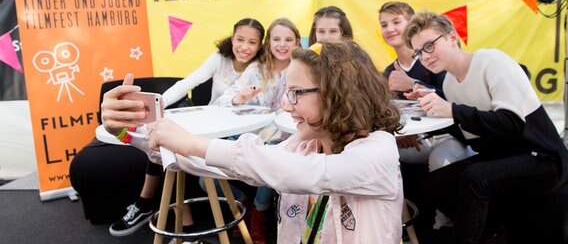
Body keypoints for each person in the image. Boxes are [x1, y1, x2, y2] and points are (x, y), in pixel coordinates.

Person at [101, 40, 405, 243]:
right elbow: (230, 166)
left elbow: (303, 173)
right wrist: (131, 133)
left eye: (296, 93)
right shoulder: (304, 145)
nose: (286, 106)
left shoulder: (377, 151)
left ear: (339, 94)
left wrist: (192, 142)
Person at [403, 10, 568, 243]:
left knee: (474, 178)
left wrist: (452, 110)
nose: (425, 56)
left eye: (429, 46)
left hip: (542, 156)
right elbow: (472, 133)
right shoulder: (450, 83)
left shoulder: (491, 61)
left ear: (452, 37)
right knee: (433, 183)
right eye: (418, 52)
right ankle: (490, 229)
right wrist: (429, 111)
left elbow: (511, 124)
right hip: (502, 156)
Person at [109, 18, 265, 237]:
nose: (244, 47)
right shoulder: (220, 59)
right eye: (240, 39)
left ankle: (155, 209)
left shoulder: (261, 67)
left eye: (252, 42)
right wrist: (156, 105)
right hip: (212, 124)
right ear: (232, 39)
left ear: (259, 46)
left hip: (239, 132)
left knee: (176, 150)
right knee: (164, 144)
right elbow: (188, 83)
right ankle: (176, 219)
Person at [379, 2, 474, 239]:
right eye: (384, 24)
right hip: (414, 141)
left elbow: (455, 99)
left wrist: (413, 84)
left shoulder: (436, 60)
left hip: (450, 136)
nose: (390, 28)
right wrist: (397, 134)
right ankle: (391, 226)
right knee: (376, 153)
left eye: (396, 22)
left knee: (442, 162)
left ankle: (443, 227)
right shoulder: (387, 73)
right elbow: (383, 113)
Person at [213, 17, 301, 243]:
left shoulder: (301, 70)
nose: (282, 44)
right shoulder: (255, 69)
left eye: (288, 39)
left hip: (283, 139)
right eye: (276, 39)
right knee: (207, 177)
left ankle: (259, 215)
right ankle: (241, 204)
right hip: (250, 136)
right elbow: (222, 101)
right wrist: (239, 98)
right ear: (268, 43)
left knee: (268, 164)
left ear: (297, 42)